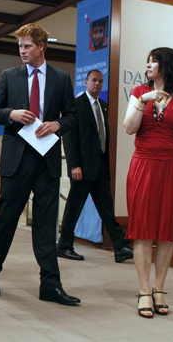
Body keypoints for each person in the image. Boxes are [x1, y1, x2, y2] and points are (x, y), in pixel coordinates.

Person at [0, 23, 79, 305]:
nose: (22, 51)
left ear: (41, 47)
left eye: (27, 46)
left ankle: (50, 285)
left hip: (47, 161)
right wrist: (11, 113)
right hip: (16, 160)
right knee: (6, 220)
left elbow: (72, 117)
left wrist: (57, 124)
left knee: (47, 226)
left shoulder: (61, 79)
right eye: (20, 46)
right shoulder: (8, 76)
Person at [122, 47, 173, 318]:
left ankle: (159, 289)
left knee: (166, 232)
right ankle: (143, 291)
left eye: (154, 61)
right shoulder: (140, 92)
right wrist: (145, 100)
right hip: (143, 165)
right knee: (142, 231)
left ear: (167, 66)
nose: (149, 65)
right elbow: (129, 127)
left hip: (172, 168)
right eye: (148, 61)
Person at [57, 69, 133, 262]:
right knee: (74, 207)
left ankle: (120, 247)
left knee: (106, 208)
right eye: (93, 81)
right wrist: (74, 165)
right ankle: (64, 246)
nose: (97, 84)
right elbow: (69, 137)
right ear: (86, 82)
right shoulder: (76, 105)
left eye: (100, 81)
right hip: (81, 169)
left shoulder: (103, 106)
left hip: (100, 167)